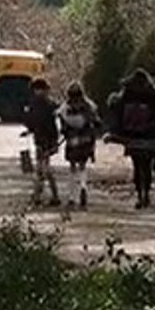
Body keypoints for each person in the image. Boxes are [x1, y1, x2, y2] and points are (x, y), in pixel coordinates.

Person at [104, 68, 155, 208]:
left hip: (132, 136)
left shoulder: (127, 92)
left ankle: (139, 196)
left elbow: (117, 109)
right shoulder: (153, 92)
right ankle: (147, 195)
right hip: (150, 136)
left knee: (137, 167)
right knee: (147, 167)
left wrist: (116, 132)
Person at [58, 81, 102, 210]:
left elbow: (62, 126)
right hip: (86, 140)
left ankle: (72, 197)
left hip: (72, 140)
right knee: (82, 166)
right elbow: (97, 122)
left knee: (72, 168)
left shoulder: (65, 108)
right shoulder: (89, 106)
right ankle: (83, 186)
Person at [21, 77, 64, 207]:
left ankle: (40, 196)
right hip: (47, 139)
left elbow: (31, 122)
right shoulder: (49, 104)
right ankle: (49, 195)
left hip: (42, 140)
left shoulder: (36, 105)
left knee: (42, 169)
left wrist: (29, 129)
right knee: (44, 168)